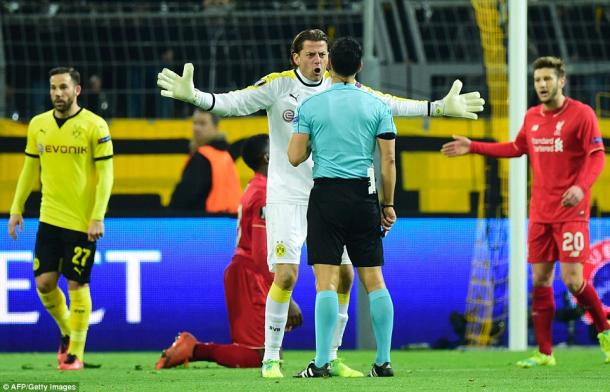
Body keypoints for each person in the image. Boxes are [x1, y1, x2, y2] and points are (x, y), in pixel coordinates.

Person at [157, 28, 485, 378]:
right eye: (311, 55)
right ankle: (271, 358)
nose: (318, 61)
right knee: (285, 276)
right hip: (287, 196)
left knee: (344, 277)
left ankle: (331, 356)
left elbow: (389, 102)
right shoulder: (279, 85)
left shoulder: (342, 89)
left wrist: (436, 107)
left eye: (322, 55)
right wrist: (197, 97)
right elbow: (235, 103)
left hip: (327, 198)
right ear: (295, 58)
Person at [441, 56, 610, 367]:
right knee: (541, 281)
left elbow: (597, 156)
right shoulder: (532, 117)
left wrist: (581, 188)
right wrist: (474, 146)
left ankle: (605, 330)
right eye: (537, 80)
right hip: (541, 214)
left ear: (562, 81)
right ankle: (545, 353)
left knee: (573, 281)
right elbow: (516, 148)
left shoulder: (582, 115)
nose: (542, 85)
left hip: (572, 213)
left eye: (547, 79)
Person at [288, 36, 397, 378]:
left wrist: (314, 145)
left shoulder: (312, 107)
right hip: (364, 196)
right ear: (360, 66)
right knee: (374, 280)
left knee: (326, 281)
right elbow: (389, 161)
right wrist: (388, 204)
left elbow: (294, 157)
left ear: (330, 65)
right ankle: (383, 361)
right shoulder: (377, 106)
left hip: (327, 196)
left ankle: (321, 362)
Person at [156, 134, 303, 369]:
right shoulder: (264, 194)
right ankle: (193, 349)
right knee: (258, 356)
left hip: (249, 272)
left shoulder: (261, 186)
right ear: (267, 157)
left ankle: (193, 348)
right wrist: (286, 296)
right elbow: (260, 253)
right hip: (250, 274)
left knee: (270, 352)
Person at [7, 67, 114, 371]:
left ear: (77, 90)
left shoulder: (95, 125)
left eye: (64, 88)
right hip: (49, 217)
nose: (57, 93)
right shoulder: (38, 125)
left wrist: (97, 216)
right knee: (44, 283)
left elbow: (107, 175)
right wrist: (17, 208)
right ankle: (68, 331)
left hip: (82, 221)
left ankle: (75, 354)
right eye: (53, 88)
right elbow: (30, 168)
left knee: (77, 284)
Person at [169, 109, 242, 213]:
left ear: (215, 127)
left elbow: (184, 196)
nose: (196, 128)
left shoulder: (202, 157)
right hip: (231, 220)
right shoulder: (225, 155)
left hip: (207, 222)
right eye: (195, 123)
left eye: (202, 123)